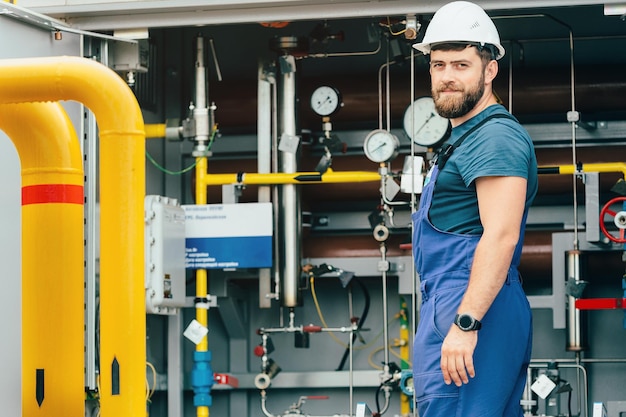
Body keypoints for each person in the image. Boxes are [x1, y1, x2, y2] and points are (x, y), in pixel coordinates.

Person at [410, 2, 538, 417]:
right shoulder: (466, 138)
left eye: (461, 65)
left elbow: (501, 235)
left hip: (473, 304)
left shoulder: (494, 138)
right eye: (438, 64)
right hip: (456, 300)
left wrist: (466, 324)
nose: (447, 77)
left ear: (489, 70)